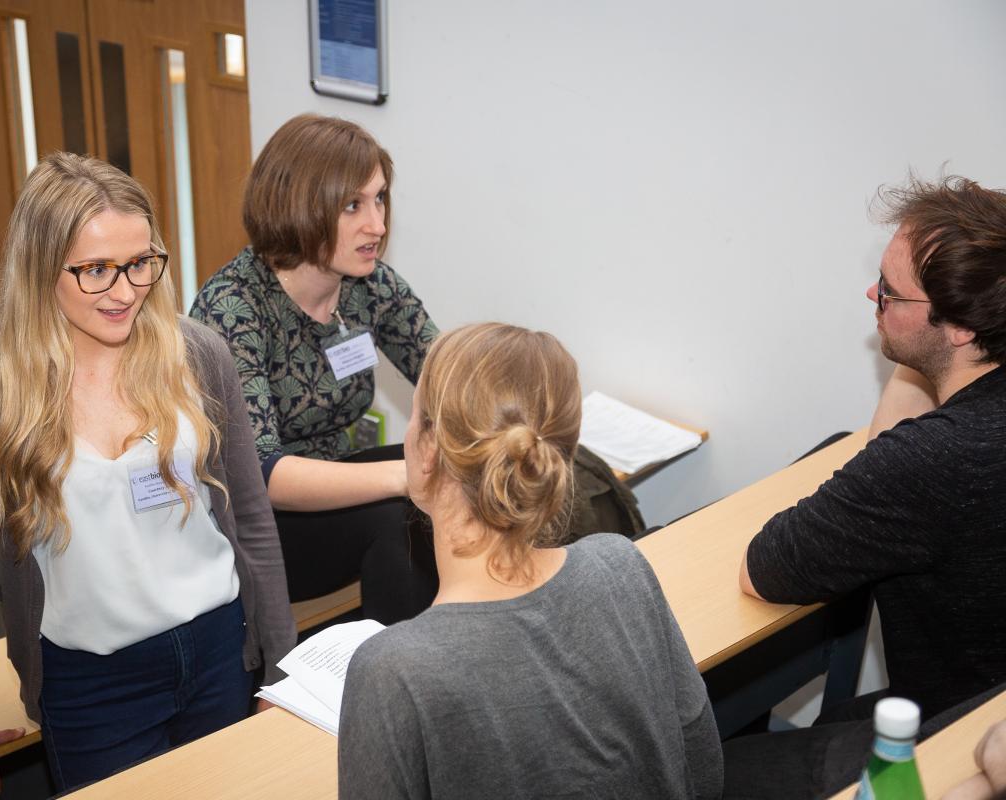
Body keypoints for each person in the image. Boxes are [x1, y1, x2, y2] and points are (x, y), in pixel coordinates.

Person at [0, 153, 295, 796]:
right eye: (96, 270)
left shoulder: (200, 357)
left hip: (217, 650)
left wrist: (282, 671)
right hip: (91, 682)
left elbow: (254, 522)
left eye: (139, 263)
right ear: (41, 269)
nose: (125, 291)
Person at [337, 323, 723, 799]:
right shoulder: (622, 563)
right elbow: (703, 771)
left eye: (414, 417)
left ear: (428, 451)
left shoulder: (392, 672)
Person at [739, 175, 1006, 723]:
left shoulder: (935, 458)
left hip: (956, 738)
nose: (871, 295)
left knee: (712, 769)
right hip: (982, 701)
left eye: (888, 290)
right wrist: (922, 351)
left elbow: (764, 570)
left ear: (958, 326)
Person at [191, 114, 439, 624]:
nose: (378, 224)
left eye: (380, 198)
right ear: (300, 207)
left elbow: (452, 376)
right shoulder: (233, 308)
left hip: (339, 496)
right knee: (401, 513)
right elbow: (261, 475)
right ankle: (394, 682)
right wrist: (406, 476)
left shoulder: (369, 285)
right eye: (353, 205)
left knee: (456, 469)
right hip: (257, 526)